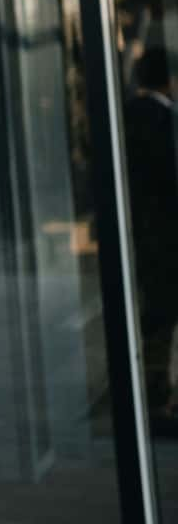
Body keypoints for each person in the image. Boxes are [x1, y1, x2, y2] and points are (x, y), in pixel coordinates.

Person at [124, 46, 178, 435]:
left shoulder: (121, 115)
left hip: (138, 236)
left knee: (153, 316)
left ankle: (152, 391)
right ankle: (159, 396)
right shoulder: (169, 120)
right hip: (168, 237)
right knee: (164, 315)